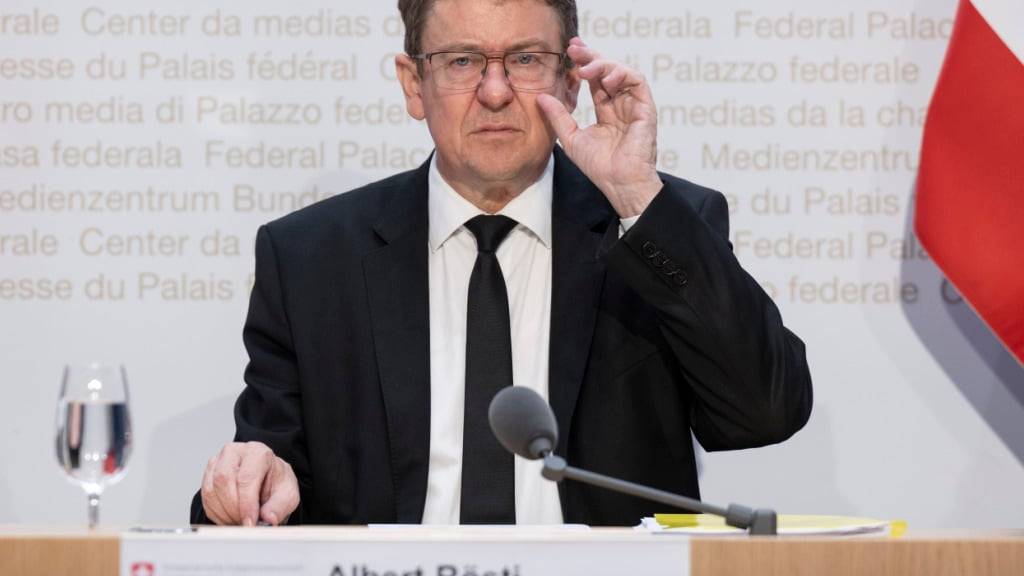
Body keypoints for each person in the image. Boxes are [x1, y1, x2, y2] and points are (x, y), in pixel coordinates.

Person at [191, 0, 812, 527]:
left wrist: (635, 197)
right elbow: (267, 486)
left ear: (570, 82)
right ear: (413, 84)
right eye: (461, 61)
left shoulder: (654, 225)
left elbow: (764, 413)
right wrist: (248, 483)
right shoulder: (309, 259)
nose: (494, 92)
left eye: (525, 60)